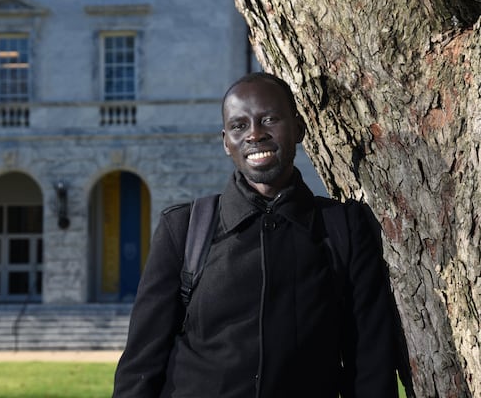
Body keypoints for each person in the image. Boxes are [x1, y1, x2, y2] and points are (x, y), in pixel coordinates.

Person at [112, 72, 399, 397]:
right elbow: (141, 364)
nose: (255, 134)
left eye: (270, 119)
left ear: (299, 127)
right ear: (226, 141)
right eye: (239, 126)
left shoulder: (343, 227)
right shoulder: (184, 229)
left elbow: (371, 364)